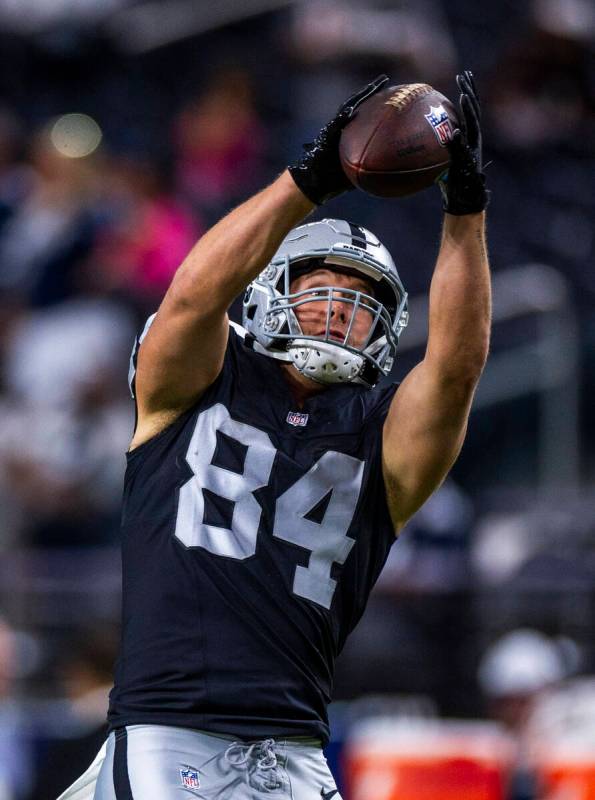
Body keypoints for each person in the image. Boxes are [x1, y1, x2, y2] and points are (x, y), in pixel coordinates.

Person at [59, 71, 490, 799]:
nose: (337, 309)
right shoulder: (202, 377)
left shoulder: (379, 435)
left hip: (295, 748)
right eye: (319, 286)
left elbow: (453, 369)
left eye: (360, 301)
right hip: (170, 732)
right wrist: (310, 177)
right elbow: (194, 292)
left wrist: (466, 208)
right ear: (268, 292)